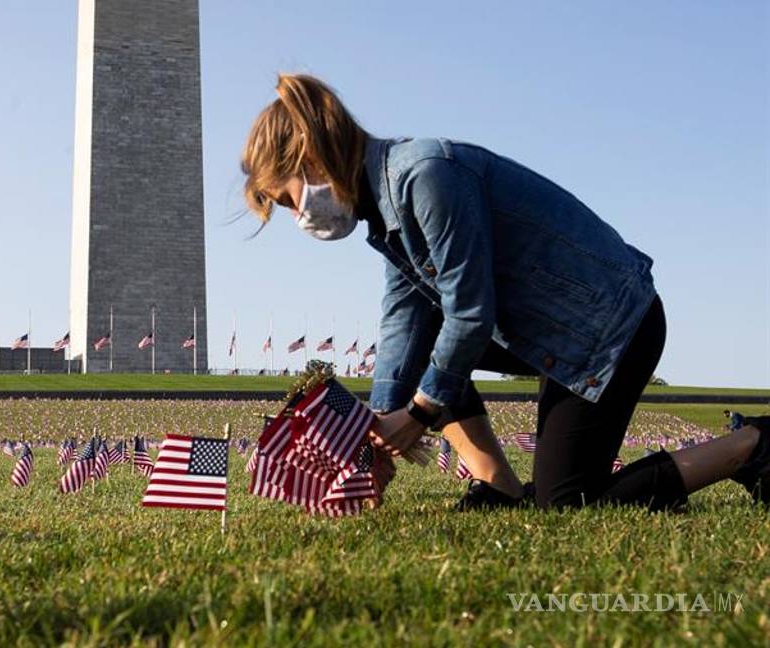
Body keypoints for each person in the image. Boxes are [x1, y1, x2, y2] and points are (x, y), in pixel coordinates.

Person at [239, 73, 770, 510]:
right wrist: (377, 432)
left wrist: (419, 415)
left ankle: (753, 446)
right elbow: (404, 323)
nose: (296, 217)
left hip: (610, 329)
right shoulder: (385, 210)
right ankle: (501, 487)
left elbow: (469, 313)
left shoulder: (425, 174)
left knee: (567, 504)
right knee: (426, 336)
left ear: (309, 155)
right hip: (555, 336)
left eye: (285, 200)